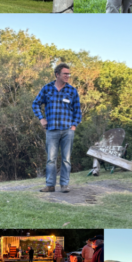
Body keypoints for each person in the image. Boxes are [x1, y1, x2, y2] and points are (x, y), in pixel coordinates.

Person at [33, 63, 81, 193]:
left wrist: (73, 126)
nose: (68, 76)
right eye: (65, 74)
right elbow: (35, 104)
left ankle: (64, 185)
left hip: (67, 130)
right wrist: (41, 118)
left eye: (68, 74)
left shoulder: (72, 91)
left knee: (66, 159)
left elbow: (78, 111)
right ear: (57, 74)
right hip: (52, 130)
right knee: (51, 160)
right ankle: (50, 185)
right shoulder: (47, 89)